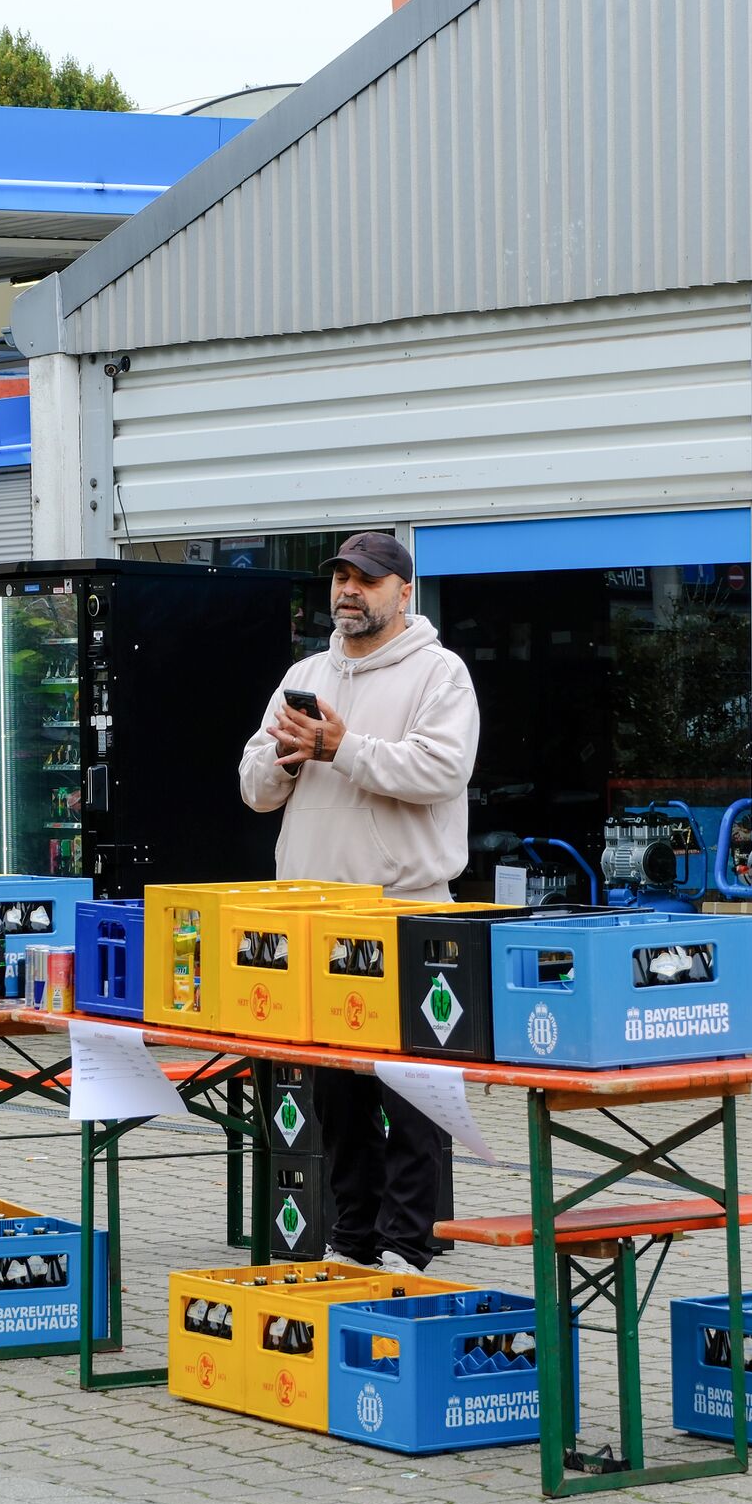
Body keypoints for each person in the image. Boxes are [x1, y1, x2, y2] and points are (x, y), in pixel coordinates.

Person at [239, 531, 478, 1272]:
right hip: (314, 920)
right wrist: (287, 760)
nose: (348, 590)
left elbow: (441, 771)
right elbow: (252, 788)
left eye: (366, 579)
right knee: (335, 1099)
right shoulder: (305, 674)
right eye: (340, 577)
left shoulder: (440, 673)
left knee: (412, 1094)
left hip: (405, 913)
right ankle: (353, 1239)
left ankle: (408, 1244)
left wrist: (342, 747)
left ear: (403, 592)